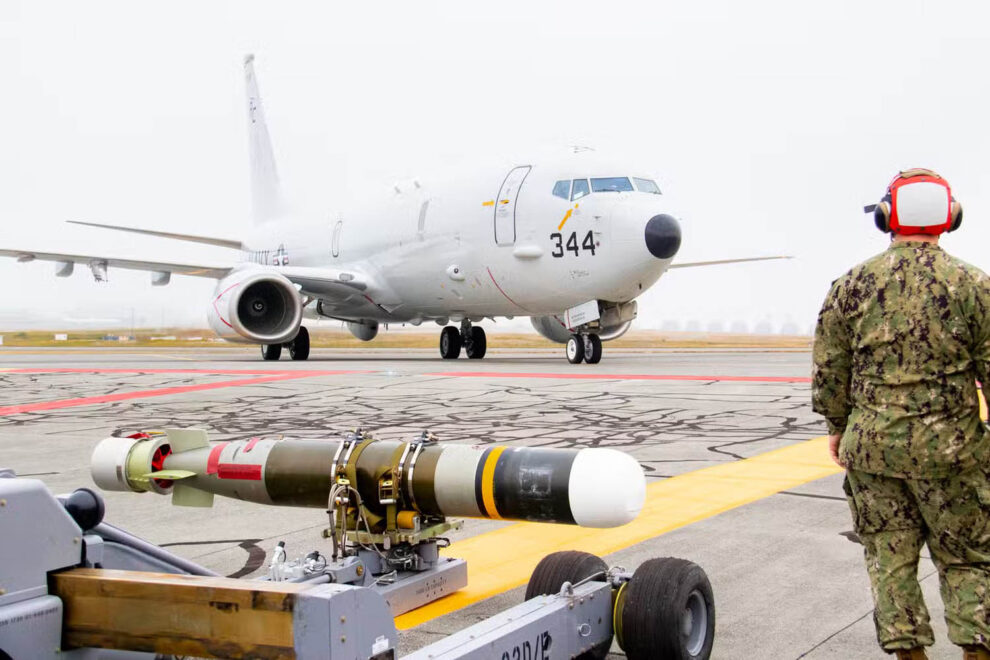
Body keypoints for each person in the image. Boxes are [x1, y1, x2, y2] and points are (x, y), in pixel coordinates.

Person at [812, 168, 990, 660]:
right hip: (956, 454)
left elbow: (830, 370)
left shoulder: (850, 285)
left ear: (887, 217)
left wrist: (836, 427)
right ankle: (978, 651)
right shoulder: (976, 286)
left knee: (889, 557)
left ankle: (909, 654)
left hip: (872, 451)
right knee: (968, 558)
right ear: (950, 218)